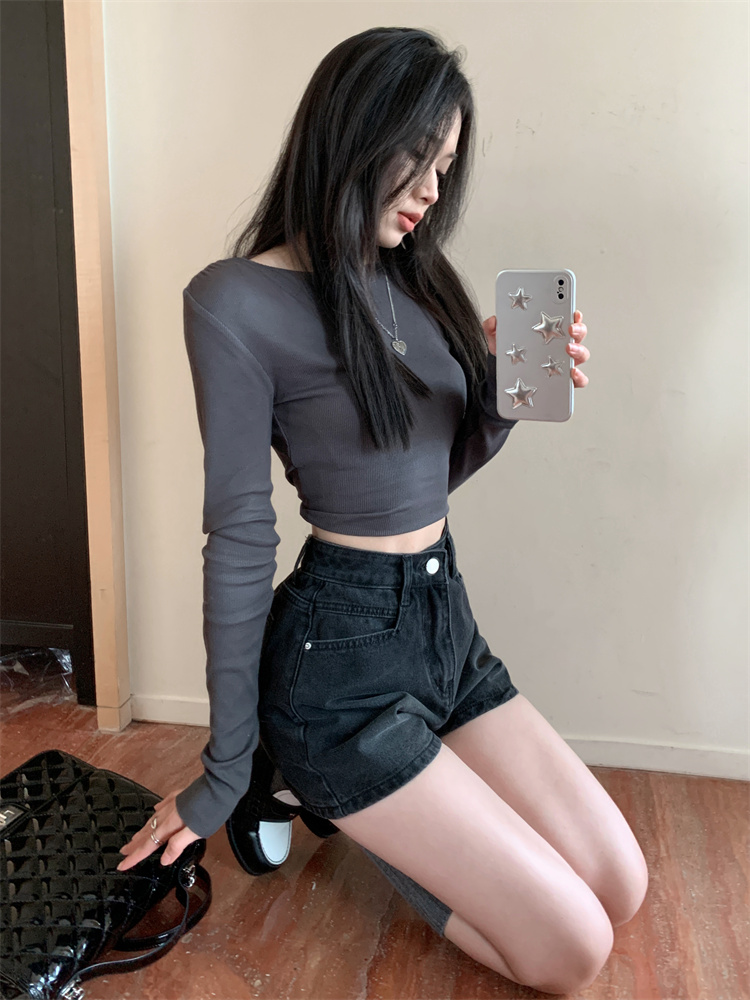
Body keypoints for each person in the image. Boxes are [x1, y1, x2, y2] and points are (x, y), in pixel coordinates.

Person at [117, 26, 648, 994]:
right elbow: (239, 538)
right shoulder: (233, 301)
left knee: (621, 885)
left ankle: (337, 793)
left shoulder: (417, 280)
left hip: (446, 628)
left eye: (447, 167)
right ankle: (290, 770)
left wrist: (500, 398)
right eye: (419, 157)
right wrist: (222, 770)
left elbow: (427, 479)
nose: (434, 191)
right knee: (572, 951)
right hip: (337, 659)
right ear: (352, 130)